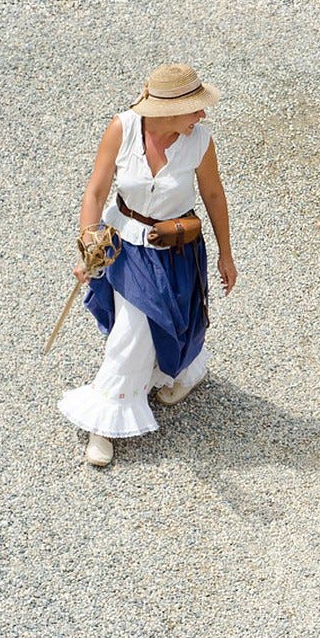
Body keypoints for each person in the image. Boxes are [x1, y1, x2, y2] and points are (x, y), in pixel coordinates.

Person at [59, 63, 237, 466]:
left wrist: (226, 254)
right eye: (196, 108)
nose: (203, 115)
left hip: (175, 247)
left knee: (173, 319)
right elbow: (96, 191)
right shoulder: (121, 129)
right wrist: (89, 242)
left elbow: (213, 195)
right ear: (167, 111)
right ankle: (105, 419)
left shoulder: (200, 140)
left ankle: (186, 371)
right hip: (121, 243)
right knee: (133, 328)